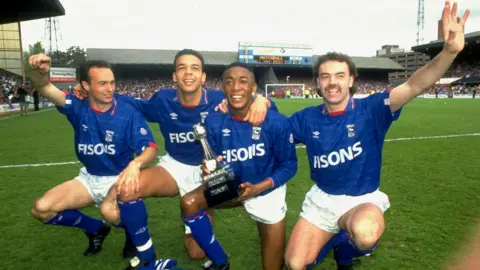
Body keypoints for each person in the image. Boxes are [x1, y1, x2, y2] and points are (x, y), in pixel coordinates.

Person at [284, 2, 470, 269]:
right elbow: (273, 131)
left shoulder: (371, 109)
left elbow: (415, 85)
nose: (332, 82)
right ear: (318, 83)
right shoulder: (305, 118)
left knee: (366, 233)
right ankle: (335, 243)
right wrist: (258, 104)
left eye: (339, 75)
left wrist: (449, 52)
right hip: (322, 200)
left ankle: (344, 253)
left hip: (362, 200)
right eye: (325, 77)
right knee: (294, 264)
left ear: (350, 80)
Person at [74, 49, 274, 267]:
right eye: (182, 68)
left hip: (209, 173)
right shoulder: (162, 100)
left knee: (197, 252)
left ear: (203, 77)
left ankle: (206, 239)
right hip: (175, 166)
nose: (188, 73)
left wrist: (261, 101)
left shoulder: (219, 98)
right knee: (127, 188)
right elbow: (133, 104)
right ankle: (147, 261)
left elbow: (265, 110)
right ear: (174, 76)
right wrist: (90, 91)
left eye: (195, 68)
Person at [28, 54, 178, 270]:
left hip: (118, 180)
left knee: (111, 211)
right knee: (40, 209)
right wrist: (38, 71)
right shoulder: (77, 106)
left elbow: (149, 149)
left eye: (112, 83)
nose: (110, 88)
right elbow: (44, 86)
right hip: (89, 178)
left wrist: (135, 165)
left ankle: (131, 233)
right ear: (85, 86)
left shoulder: (127, 113)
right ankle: (96, 229)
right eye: (102, 83)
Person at [180, 62, 297, 270]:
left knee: (275, 267)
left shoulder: (276, 122)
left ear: (254, 88)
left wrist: (258, 188)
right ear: (223, 88)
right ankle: (220, 261)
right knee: (189, 202)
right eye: (229, 82)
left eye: (243, 82)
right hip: (232, 185)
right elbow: (211, 159)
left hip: (265, 192)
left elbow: (289, 166)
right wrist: (208, 170)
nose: (235, 88)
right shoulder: (214, 121)